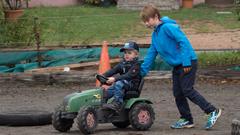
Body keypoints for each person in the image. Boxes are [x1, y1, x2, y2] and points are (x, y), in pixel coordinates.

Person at [140, 5, 221, 129]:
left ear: (155, 16)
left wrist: (186, 61)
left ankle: (212, 111)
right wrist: (142, 71)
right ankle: (187, 119)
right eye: (144, 21)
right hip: (177, 66)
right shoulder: (155, 35)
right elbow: (151, 53)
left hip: (188, 62)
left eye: (147, 20)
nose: (146, 23)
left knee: (187, 90)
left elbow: (183, 41)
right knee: (178, 93)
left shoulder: (168, 27)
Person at [102, 41, 141, 111]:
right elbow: (113, 70)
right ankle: (102, 103)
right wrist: (103, 76)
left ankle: (118, 103)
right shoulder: (122, 64)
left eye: (129, 53)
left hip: (132, 85)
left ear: (136, 55)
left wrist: (115, 78)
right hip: (123, 83)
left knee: (118, 83)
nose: (126, 55)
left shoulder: (136, 65)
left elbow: (128, 75)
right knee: (107, 91)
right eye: (125, 53)